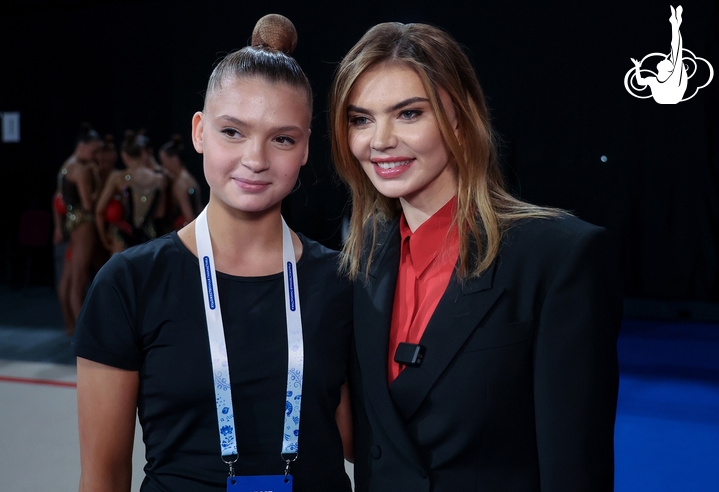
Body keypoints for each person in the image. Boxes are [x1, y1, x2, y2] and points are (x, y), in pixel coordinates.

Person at [328, 21, 622, 491]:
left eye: (408, 114)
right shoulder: (357, 264)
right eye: (360, 119)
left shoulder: (557, 258)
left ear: (461, 121)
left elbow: (573, 469)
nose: (378, 139)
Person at [73, 13, 353, 492]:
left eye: (282, 138)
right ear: (200, 132)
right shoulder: (130, 282)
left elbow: (361, 444)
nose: (256, 159)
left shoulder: (342, 281)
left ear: (305, 148)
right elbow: (104, 476)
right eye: (232, 132)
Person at [52, 122, 103, 336]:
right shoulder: (81, 170)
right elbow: (89, 203)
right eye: (94, 150)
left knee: (70, 279)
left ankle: (70, 326)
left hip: (71, 223)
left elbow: (57, 200)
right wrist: (100, 183)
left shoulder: (65, 166)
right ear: (83, 145)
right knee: (79, 280)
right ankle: (83, 332)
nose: (96, 155)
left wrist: (58, 226)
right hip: (83, 223)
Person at [94, 129, 169, 254]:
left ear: (124, 156)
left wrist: (104, 238)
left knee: (121, 273)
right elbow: (160, 214)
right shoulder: (160, 179)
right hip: (150, 238)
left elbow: (99, 211)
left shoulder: (118, 177)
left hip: (123, 237)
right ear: (143, 154)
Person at [631, 5, 687, 104]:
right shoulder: (655, 80)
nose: (663, 59)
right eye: (667, 60)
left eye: (666, 61)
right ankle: (675, 24)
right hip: (670, 97)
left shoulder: (665, 79)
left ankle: (675, 24)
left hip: (671, 96)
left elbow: (677, 50)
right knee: (676, 52)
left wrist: (637, 68)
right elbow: (639, 82)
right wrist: (637, 67)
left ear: (668, 69)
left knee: (676, 51)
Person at [159, 133, 203, 231]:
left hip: (186, 228)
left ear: (174, 160)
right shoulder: (188, 177)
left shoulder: (180, 184)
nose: (163, 166)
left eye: (164, 161)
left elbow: (189, 216)